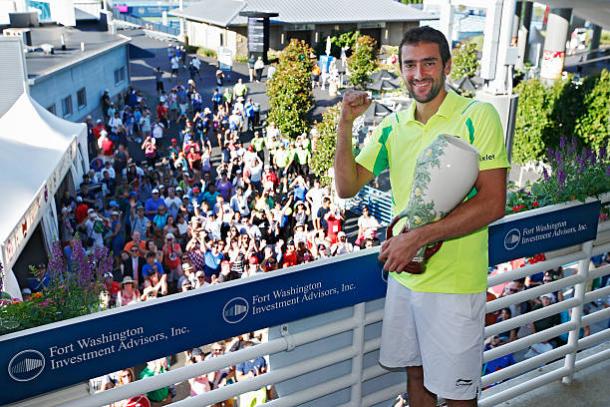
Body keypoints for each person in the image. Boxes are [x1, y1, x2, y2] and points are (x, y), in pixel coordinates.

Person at [333, 26, 509, 406]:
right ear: (400, 69)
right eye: (409, 65)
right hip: (406, 280)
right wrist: (345, 123)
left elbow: (494, 202)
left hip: (457, 288)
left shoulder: (478, 116)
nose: (418, 74)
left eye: (428, 63)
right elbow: (346, 187)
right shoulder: (393, 125)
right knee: (417, 377)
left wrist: (418, 237)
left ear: (446, 65)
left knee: (458, 394)